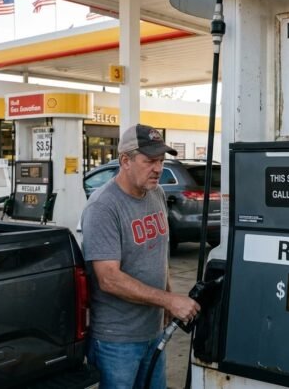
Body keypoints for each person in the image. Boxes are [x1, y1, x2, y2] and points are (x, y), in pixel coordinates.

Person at [81, 124, 200, 389]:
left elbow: (159, 253)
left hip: (153, 330)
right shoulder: (103, 206)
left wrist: (166, 300)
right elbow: (109, 279)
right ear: (125, 160)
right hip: (117, 340)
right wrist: (169, 299)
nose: (158, 168)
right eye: (149, 161)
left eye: (161, 161)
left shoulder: (155, 193)